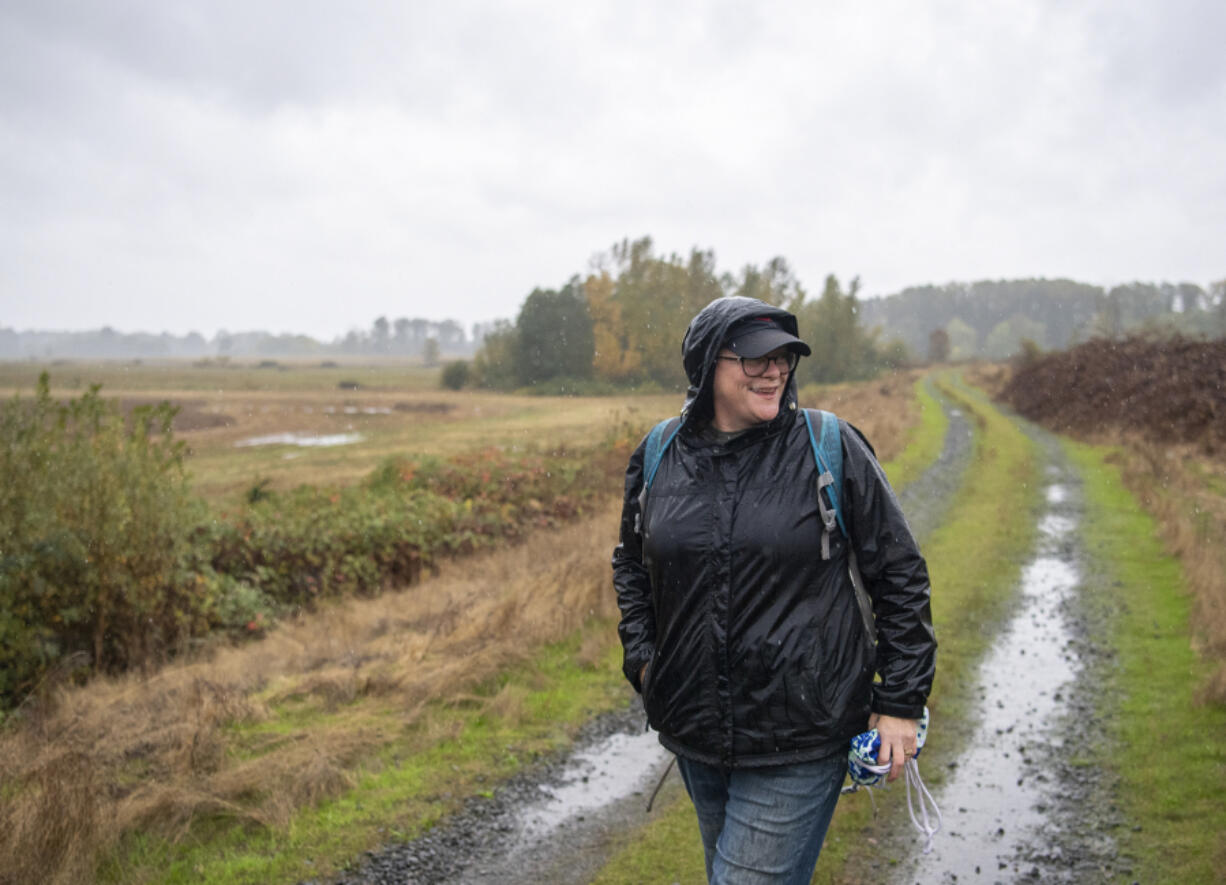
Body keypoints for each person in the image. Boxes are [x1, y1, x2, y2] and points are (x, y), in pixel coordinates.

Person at [612, 296, 936, 884]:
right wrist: (644, 664)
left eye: (785, 358)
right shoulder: (660, 454)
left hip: (802, 735)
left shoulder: (827, 446)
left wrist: (900, 704)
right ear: (709, 364)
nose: (774, 371)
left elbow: (900, 574)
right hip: (695, 735)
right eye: (755, 358)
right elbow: (632, 566)